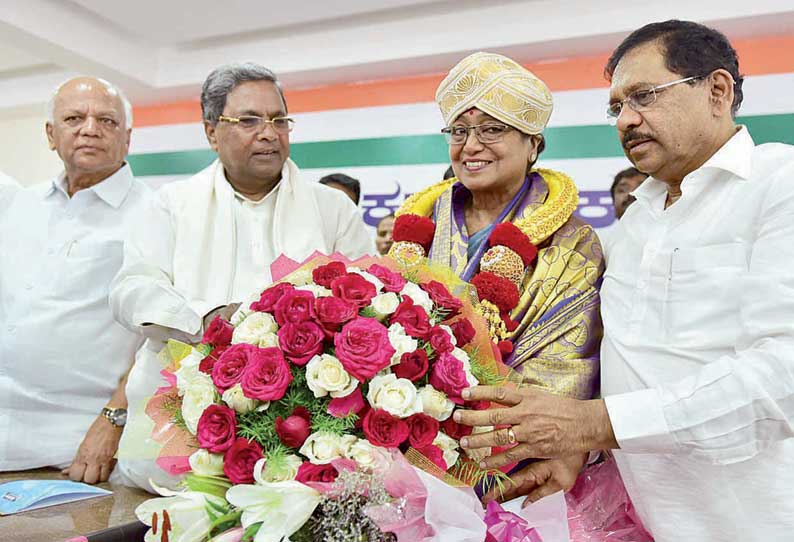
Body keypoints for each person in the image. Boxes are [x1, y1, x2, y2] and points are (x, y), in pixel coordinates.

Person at [456, 20, 794, 541]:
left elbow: (783, 379)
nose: (625, 120)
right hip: (651, 520)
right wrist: (579, 446)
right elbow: (631, 363)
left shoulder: (779, 186)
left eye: (644, 96)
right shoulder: (636, 220)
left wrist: (592, 423)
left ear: (718, 90)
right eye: (616, 107)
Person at [109, 63, 373, 491]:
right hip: (184, 425)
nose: (268, 132)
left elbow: (370, 300)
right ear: (211, 132)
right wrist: (203, 319)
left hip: (308, 431)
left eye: (278, 120)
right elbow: (131, 289)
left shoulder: (332, 209)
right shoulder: (170, 205)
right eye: (249, 120)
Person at [392, 52, 604, 496]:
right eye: (460, 130)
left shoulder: (572, 242)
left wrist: (471, 420)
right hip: (403, 434)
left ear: (534, 144)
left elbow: (566, 363)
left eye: (492, 129)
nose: (470, 146)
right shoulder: (420, 220)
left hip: (519, 457)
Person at [0, 77, 148, 484]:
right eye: (73, 118)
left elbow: (162, 339)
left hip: (77, 451)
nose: (89, 128)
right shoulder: (17, 205)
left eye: (106, 120)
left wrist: (114, 420)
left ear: (127, 137)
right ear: (51, 134)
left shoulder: (155, 214)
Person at [597, 166, 647, 254]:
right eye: (623, 190)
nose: (631, 194)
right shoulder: (601, 244)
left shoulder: (672, 235)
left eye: (641, 188)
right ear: (613, 203)